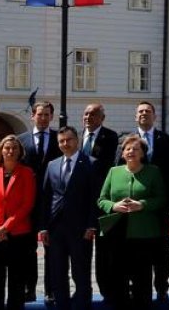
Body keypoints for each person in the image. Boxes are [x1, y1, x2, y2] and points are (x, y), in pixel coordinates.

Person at [98, 133, 167, 310]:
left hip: (144, 234)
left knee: (142, 279)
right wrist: (114, 206)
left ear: (142, 153)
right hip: (117, 234)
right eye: (127, 149)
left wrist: (142, 204)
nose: (131, 152)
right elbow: (101, 199)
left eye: (135, 149)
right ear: (122, 154)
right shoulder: (114, 172)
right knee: (118, 277)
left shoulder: (153, 171)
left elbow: (161, 198)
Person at [121, 101, 169, 303]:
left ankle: (161, 286)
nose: (144, 114)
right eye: (140, 112)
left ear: (155, 116)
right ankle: (132, 286)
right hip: (132, 204)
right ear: (135, 116)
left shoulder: (166, 139)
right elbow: (118, 168)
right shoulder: (126, 139)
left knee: (161, 248)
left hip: (158, 204)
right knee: (132, 249)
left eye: (148, 111)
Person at [38, 126, 98, 310]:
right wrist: (43, 227)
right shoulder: (52, 164)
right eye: (61, 141)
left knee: (81, 271)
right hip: (56, 228)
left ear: (77, 140)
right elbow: (45, 197)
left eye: (69, 139)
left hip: (81, 229)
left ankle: (82, 304)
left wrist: (91, 225)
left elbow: (95, 197)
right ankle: (62, 304)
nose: (65, 143)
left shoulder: (91, 163)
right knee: (57, 271)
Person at [0, 135, 36, 310]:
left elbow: (27, 204)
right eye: (7, 148)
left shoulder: (27, 173)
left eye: (14, 148)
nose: (10, 151)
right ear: (1, 150)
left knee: (17, 277)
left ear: (20, 152)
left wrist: (7, 226)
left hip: (19, 233)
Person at [16, 100, 60, 302]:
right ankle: (29, 289)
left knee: (52, 250)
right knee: (26, 250)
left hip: (52, 203)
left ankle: (51, 290)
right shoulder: (21, 140)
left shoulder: (60, 139)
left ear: (51, 116)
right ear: (32, 116)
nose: (43, 118)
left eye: (46, 114)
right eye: (39, 114)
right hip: (28, 203)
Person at [81, 102, 119, 299]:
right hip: (81, 202)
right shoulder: (77, 138)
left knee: (105, 250)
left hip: (104, 201)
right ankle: (83, 289)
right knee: (81, 250)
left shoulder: (111, 137)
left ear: (102, 118)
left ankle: (107, 290)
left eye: (93, 114)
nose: (88, 117)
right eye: (86, 114)